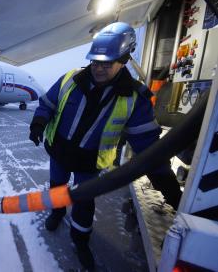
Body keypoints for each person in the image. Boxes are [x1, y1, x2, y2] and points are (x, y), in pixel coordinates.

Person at [29, 22, 182, 270]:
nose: (98, 69)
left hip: (89, 162)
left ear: (123, 60)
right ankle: (56, 212)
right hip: (58, 151)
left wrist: (168, 186)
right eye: (95, 62)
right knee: (56, 186)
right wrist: (38, 122)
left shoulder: (134, 99)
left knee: (83, 202)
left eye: (106, 64)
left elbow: (149, 148)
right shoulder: (70, 79)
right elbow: (47, 103)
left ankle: (80, 240)